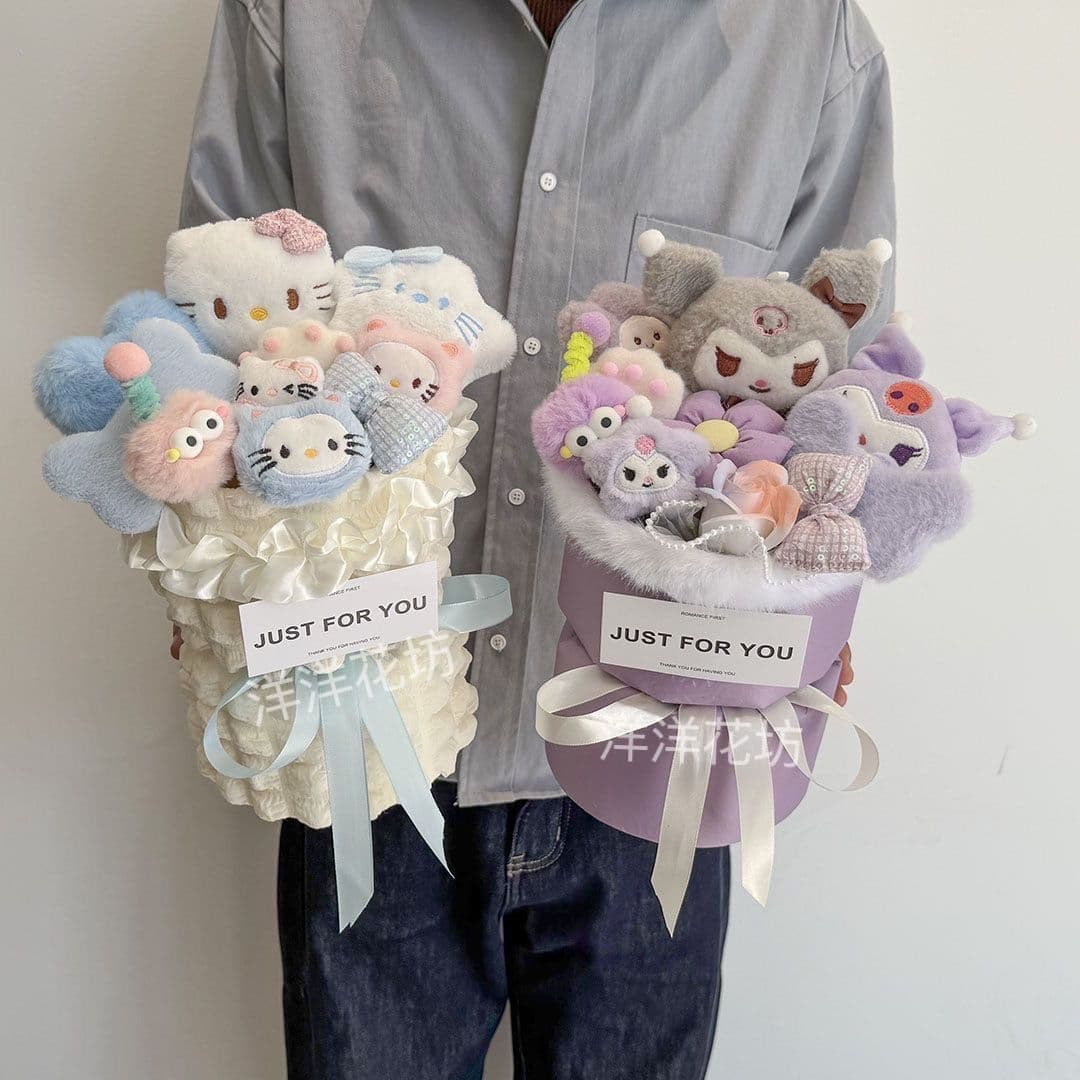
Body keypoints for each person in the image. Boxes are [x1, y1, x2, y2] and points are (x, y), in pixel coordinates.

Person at [180, 2, 891, 1076]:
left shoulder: (804, 38)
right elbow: (206, 333)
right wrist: (206, 568)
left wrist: (815, 616)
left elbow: (850, 400)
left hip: (663, 746)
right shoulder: (299, 17)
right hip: (364, 730)